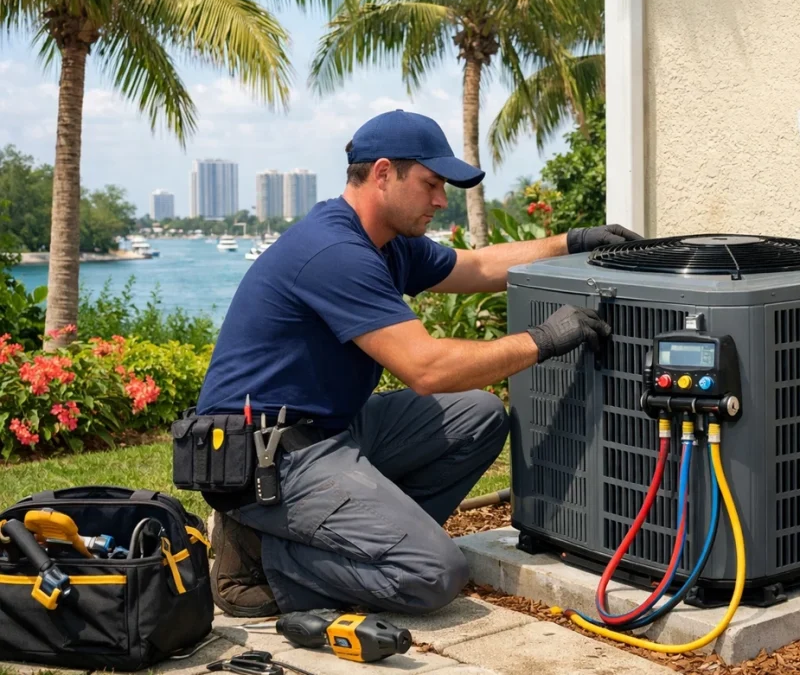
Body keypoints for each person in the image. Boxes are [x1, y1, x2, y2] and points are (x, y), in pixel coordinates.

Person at [196, 109, 642, 618]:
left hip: (329, 433)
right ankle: (257, 562)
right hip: (265, 460)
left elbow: (475, 266)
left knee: (476, 415)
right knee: (432, 574)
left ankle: (370, 541)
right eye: (431, 184)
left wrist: (573, 243)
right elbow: (426, 368)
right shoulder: (334, 250)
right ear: (383, 173)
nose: (440, 200)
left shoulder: (388, 245)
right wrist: (543, 339)